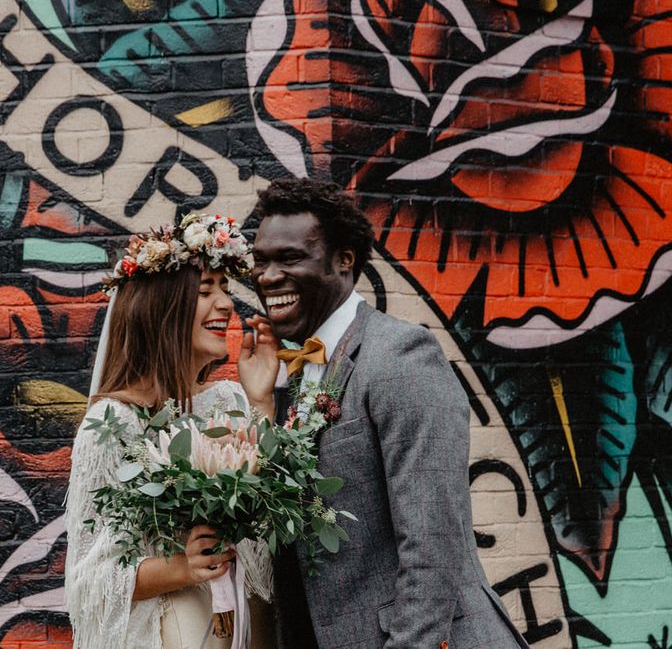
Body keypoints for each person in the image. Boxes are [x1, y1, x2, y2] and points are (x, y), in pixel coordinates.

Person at [252, 179, 530, 649]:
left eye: (290, 258)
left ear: (345, 261)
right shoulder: (297, 370)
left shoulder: (400, 356)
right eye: (261, 260)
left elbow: (433, 543)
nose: (267, 275)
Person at [65, 214, 279, 649]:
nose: (225, 305)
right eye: (206, 291)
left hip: (247, 628)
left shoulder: (230, 401)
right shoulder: (112, 424)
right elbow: (88, 581)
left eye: (225, 289)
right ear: (163, 310)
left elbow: (268, 528)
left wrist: (261, 402)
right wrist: (182, 566)